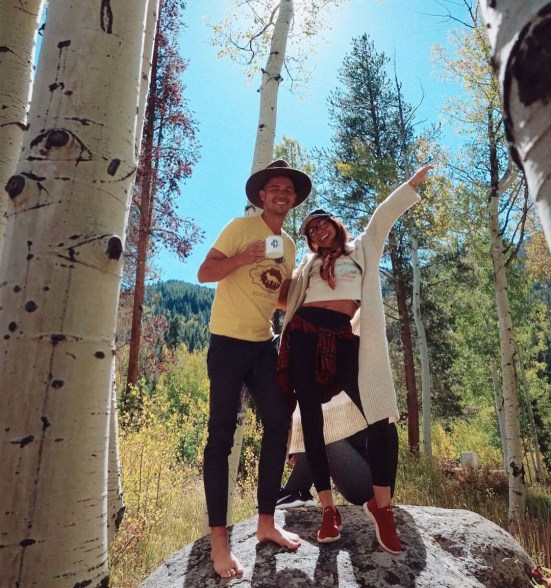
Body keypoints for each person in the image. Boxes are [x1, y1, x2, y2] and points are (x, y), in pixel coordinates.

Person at [277, 165, 433, 553]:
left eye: (322, 225)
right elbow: (285, 299)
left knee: (379, 416)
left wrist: (410, 185)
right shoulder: (307, 267)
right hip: (302, 340)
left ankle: (382, 507)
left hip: (343, 341)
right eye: (310, 231)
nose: (317, 232)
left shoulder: (360, 249)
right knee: (311, 419)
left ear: (335, 225)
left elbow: (382, 217)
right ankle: (329, 509)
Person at [197, 159, 312, 579]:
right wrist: (243, 256)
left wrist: (311, 290)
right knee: (221, 437)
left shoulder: (290, 246)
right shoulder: (240, 228)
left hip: (263, 344)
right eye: (274, 188)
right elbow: (205, 272)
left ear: (294, 200)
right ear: (262, 196)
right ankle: (219, 543)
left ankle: (265, 524)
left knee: (280, 421)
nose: (282, 194)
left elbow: (278, 297)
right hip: (227, 342)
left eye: (288, 190)